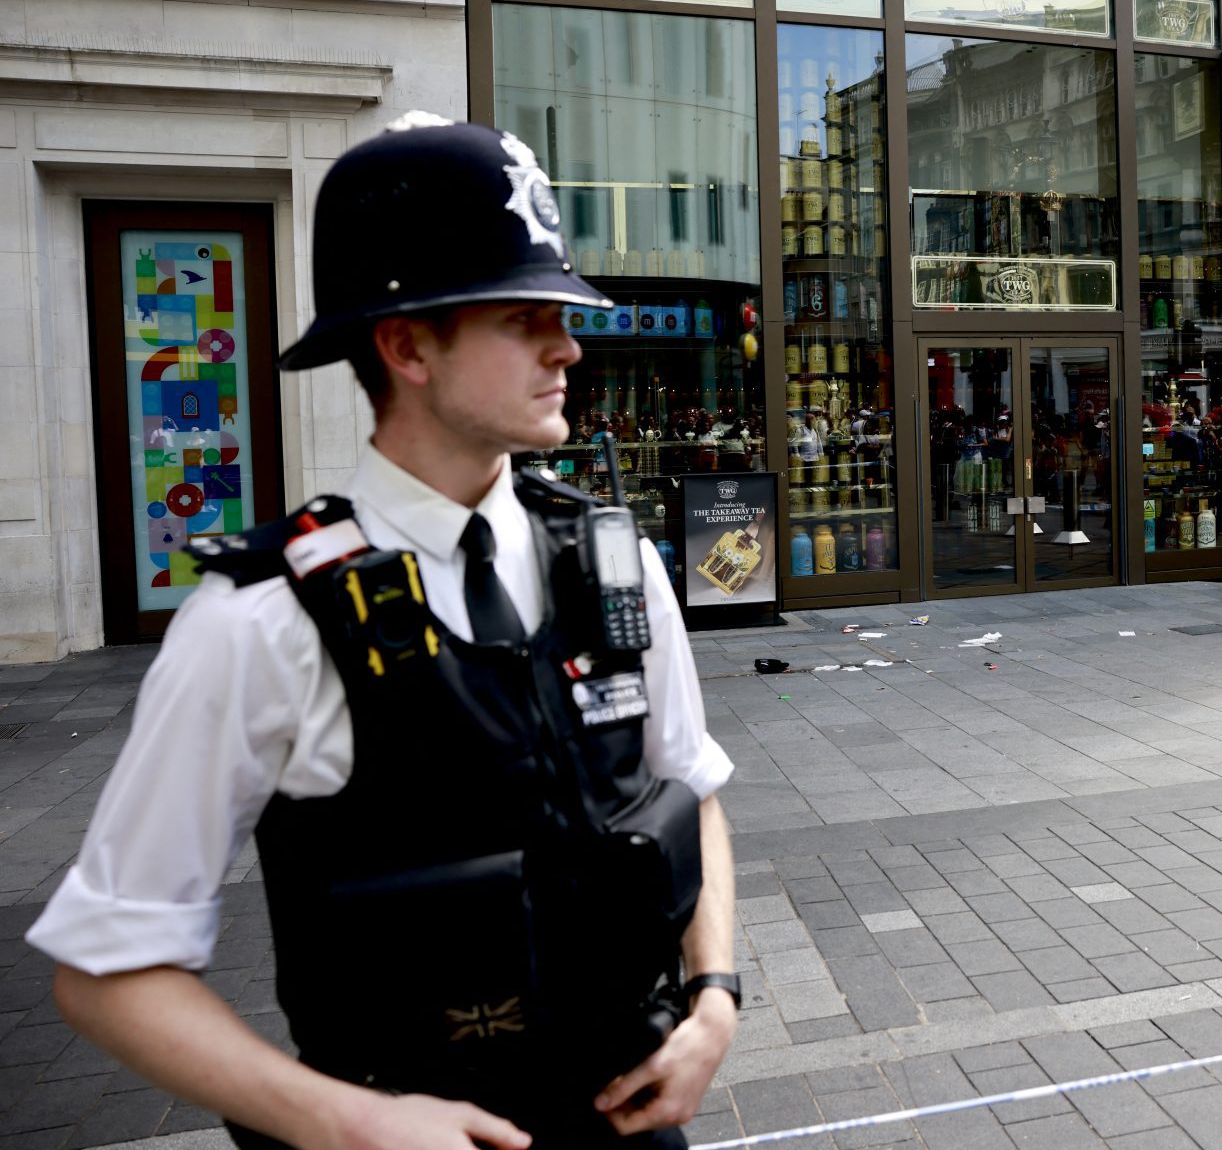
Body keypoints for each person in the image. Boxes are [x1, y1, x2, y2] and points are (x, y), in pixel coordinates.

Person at [28, 116, 740, 1150]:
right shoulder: (262, 621)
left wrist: (714, 996)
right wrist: (348, 1121)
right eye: (523, 314)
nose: (569, 344)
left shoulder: (614, 561)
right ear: (405, 344)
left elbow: (691, 789)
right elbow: (106, 968)